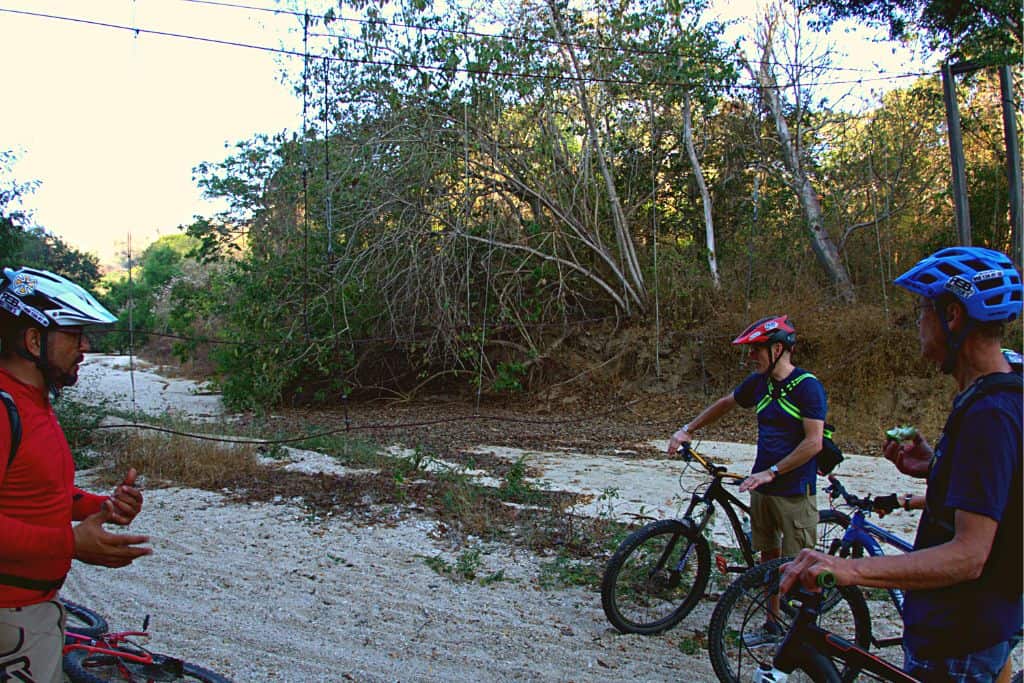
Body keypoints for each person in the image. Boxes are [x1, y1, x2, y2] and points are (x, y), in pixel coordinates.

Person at [781, 246, 1023, 683]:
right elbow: (1001, 488)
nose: (918, 324)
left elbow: (969, 555)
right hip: (978, 627)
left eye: (922, 311)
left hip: (958, 641)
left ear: (952, 315)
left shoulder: (990, 414)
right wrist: (936, 467)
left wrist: (849, 568)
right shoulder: (1001, 392)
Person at [0, 266, 152, 683]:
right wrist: (71, 543)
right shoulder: (4, 408)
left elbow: (37, 492)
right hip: (11, 617)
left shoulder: (32, 402)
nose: (84, 346)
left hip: (34, 609)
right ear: (34, 341)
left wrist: (101, 506)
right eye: (73, 334)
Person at [668, 314, 827, 643]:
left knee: (800, 568)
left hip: (794, 490)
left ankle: (806, 638)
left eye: (757, 349)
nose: (751, 356)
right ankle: (772, 623)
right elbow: (726, 403)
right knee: (767, 557)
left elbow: (814, 443)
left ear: (777, 349)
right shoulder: (760, 383)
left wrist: (773, 472)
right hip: (762, 487)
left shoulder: (807, 387)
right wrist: (687, 430)